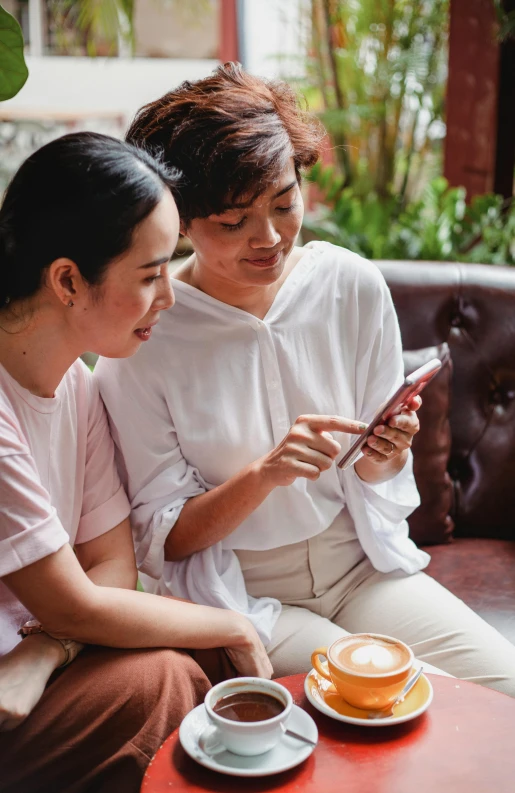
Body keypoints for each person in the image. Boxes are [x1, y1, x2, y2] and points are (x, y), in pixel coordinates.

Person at [96, 63, 515, 696]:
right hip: (240, 591)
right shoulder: (146, 336)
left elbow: (374, 480)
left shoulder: (351, 285)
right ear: (179, 220)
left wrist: (385, 452)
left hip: (360, 568)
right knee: (411, 701)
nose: (269, 239)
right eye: (233, 223)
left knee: (503, 688)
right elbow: (166, 541)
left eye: (285, 204)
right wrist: (263, 476)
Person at [0, 132, 272, 793]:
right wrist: (232, 621)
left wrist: (49, 645)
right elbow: (74, 601)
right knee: (173, 673)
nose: (169, 298)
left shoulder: (77, 385)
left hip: (34, 667)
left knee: (199, 656)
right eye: (150, 276)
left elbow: (113, 568)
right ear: (67, 280)